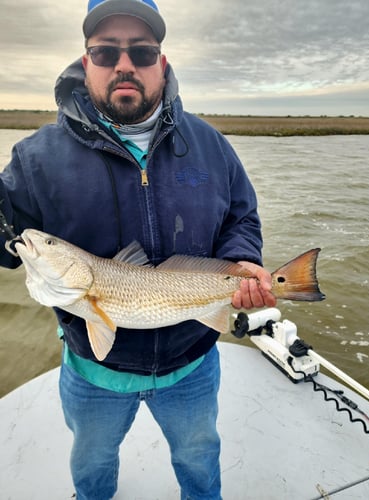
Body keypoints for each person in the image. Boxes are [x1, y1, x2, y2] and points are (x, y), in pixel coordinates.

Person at [0, 1, 276, 498]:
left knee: (198, 456)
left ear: (162, 64)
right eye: (106, 52)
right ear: (86, 64)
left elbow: (241, 215)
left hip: (192, 361)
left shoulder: (211, 145)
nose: (124, 64)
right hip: (92, 369)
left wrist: (244, 260)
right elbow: (9, 236)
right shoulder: (36, 157)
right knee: (92, 462)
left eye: (142, 51)